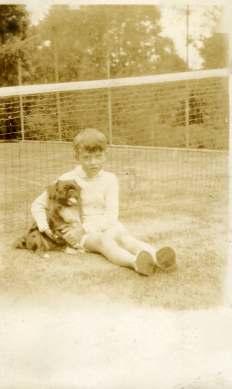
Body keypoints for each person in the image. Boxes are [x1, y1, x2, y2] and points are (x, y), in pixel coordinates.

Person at [31, 128, 176, 276]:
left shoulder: (110, 179)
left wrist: (91, 227)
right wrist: (44, 227)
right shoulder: (66, 179)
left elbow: (112, 215)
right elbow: (38, 204)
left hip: (107, 224)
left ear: (105, 155)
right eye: (87, 157)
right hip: (82, 232)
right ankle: (135, 263)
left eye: (98, 156)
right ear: (77, 156)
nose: (93, 163)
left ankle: (158, 256)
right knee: (103, 243)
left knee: (126, 239)